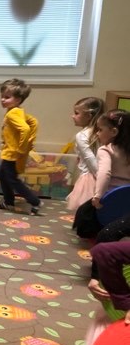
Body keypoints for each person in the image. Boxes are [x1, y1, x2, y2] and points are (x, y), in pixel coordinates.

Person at [73, 109, 130, 239]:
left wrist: (98, 196)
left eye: (100, 130)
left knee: (84, 214)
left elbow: (104, 173)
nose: (97, 133)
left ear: (114, 132)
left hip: (110, 196)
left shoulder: (106, 150)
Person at [0, 78, 41, 214]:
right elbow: (33, 122)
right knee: (3, 176)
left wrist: (21, 148)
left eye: (7, 97)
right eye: (2, 96)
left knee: (12, 179)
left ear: (18, 99)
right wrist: (30, 141)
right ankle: (9, 202)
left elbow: (25, 129)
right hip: (11, 152)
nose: (3, 100)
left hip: (12, 153)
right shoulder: (17, 111)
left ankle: (35, 201)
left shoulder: (12, 114)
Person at [65, 97, 105, 212]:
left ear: (89, 116)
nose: (73, 116)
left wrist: (101, 181)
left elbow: (91, 160)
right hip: (103, 175)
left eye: (76, 113)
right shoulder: (101, 132)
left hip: (91, 177)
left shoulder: (82, 135)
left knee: (86, 211)